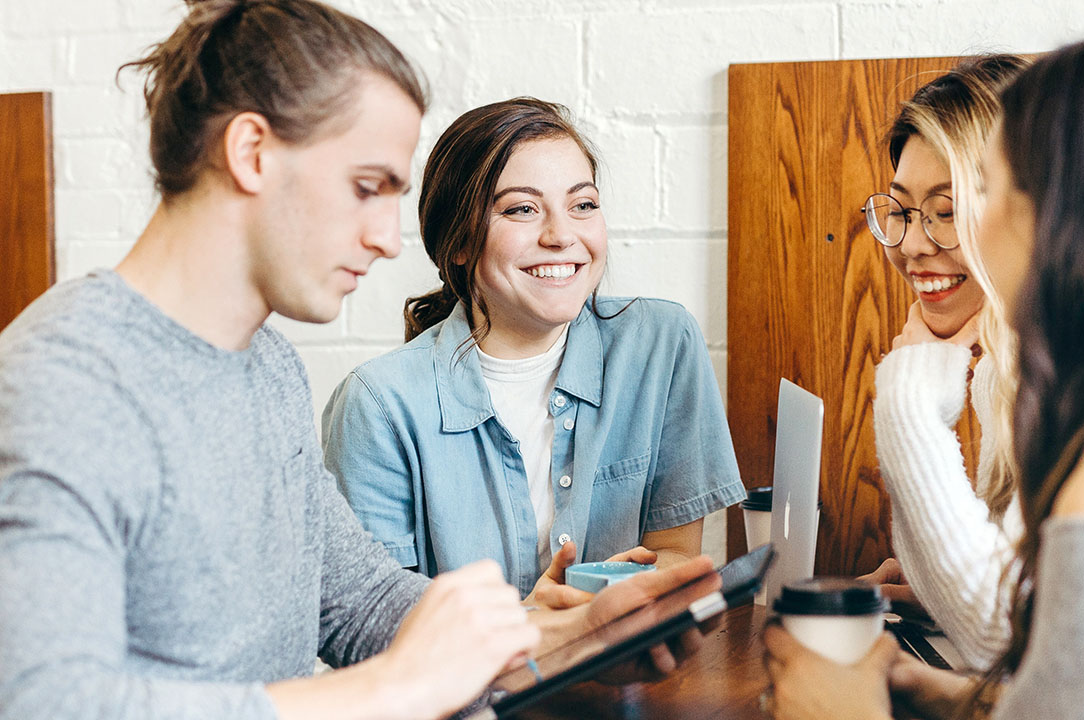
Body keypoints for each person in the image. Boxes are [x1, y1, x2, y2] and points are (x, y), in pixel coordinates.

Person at [0, 3, 715, 719]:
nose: (385, 238)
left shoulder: (266, 368)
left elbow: (359, 603)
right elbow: (44, 702)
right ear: (251, 153)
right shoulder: (64, 382)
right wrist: (397, 688)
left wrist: (558, 639)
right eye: (366, 187)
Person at [765, 29, 1084, 719]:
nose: (931, 238)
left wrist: (843, 711)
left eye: (984, 190)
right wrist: (947, 694)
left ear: (1075, 212)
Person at [321, 97, 746, 604]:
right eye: (522, 209)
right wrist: (540, 626)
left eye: (582, 205)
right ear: (457, 242)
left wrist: (614, 595)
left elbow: (675, 554)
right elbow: (377, 625)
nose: (561, 235)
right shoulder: (377, 405)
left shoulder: (661, 344)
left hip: (626, 675)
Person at [859, 55, 1027, 669]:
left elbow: (1000, 636)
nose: (911, 244)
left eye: (947, 211)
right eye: (900, 211)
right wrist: (937, 586)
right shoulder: (1002, 370)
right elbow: (1021, 617)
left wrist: (906, 400)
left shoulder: (1077, 373)